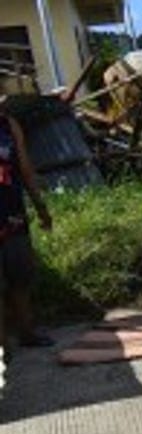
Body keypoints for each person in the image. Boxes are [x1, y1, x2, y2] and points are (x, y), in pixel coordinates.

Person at [0, 102, 54, 353]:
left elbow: (25, 169)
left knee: (20, 275)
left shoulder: (9, 126)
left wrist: (41, 207)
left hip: (12, 215)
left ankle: (27, 332)